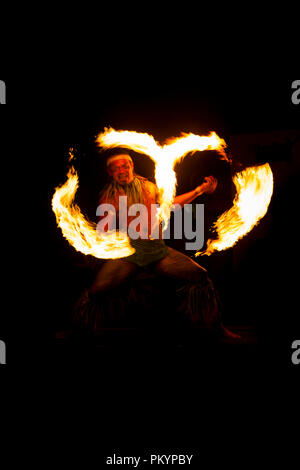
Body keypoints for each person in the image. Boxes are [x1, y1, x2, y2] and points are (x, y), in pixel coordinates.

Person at [73, 149, 239, 338]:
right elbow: (104, 232)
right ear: (110, 172)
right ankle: (79, 333)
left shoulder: (148, 187)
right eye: (115, 168)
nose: (121, 171)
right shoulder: (108, 197)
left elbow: (171, 204)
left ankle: (214, 328)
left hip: (157, 251)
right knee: (96, 291)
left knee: (200, 276)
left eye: (125, 166)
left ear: (131, 167)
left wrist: (199, 191)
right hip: (129, 255)